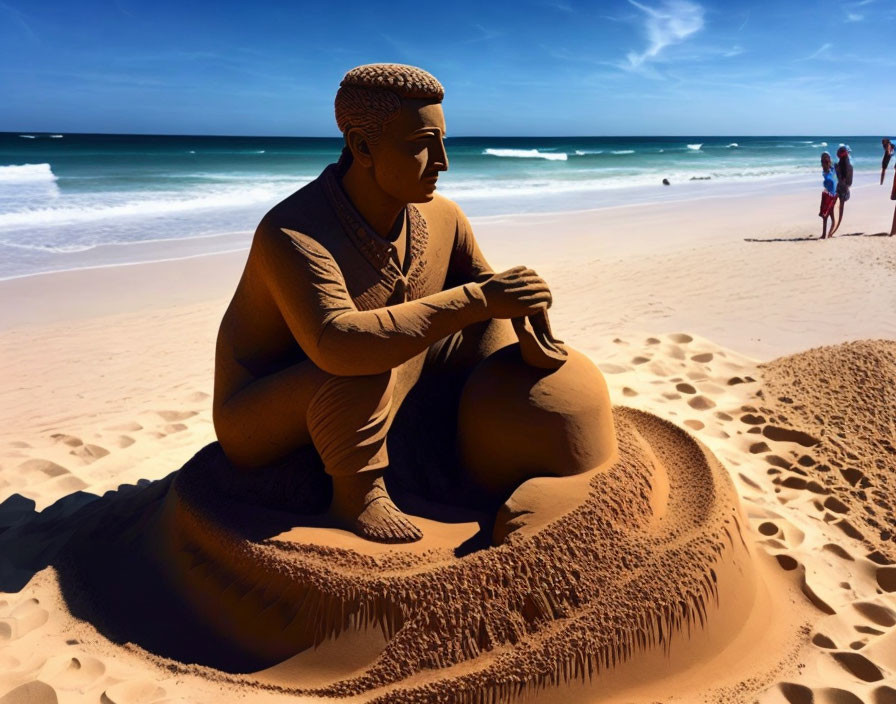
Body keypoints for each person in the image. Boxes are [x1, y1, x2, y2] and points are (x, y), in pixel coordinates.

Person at [212, 65, 563, 544]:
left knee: (485, 328)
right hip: (266, 415)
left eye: (443, 141)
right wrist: (481, 298)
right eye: (421, 143)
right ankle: (358, 495)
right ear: (362, 147)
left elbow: (483, 287)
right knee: (364, 360)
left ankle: (470, 447)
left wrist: (524, 312)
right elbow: (338, 343)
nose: (442, 161)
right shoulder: (293, 233)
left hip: (387, 380)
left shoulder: (443, 217)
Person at [828, 145, 853, 237]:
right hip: (845, 192)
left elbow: (831, 178)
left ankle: (830, 231)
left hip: (836, 191)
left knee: (832, 211)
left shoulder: (836, 166)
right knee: (840, 213)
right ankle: (832, 232)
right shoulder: (850, 167)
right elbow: (850, 183)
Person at [818, 152, 838, 239]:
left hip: (833, 196)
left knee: (828, 215)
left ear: (827, 163)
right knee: (825, 216)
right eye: (821, 163)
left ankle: (828, 234)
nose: (822, 165)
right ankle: (826, 234)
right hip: (827, 195)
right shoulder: (825, 172)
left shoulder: (833, 169)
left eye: (823, 163)